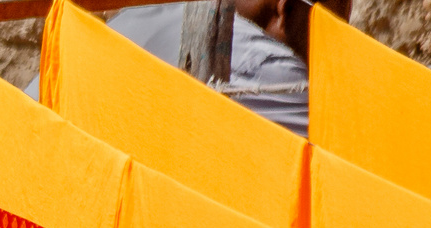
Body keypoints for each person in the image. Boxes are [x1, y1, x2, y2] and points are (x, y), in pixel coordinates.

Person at [27, 0, 349, 138]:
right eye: (337, 22)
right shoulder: (270, 70)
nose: (342, 41)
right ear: (286, 10)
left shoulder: (137, 18)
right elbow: (360, 166)